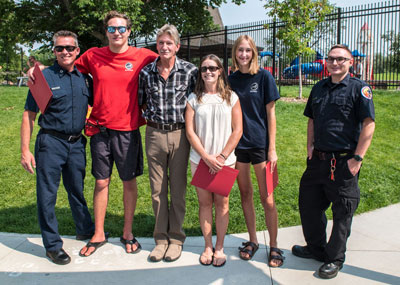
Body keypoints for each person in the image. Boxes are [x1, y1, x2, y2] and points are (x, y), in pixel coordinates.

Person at [76, 11, 158, 256]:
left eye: (121, 28)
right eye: (112, 29)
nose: (117, 33)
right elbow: (69, 67)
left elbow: (168, 60)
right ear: (106, 32)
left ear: (129, 32)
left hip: (128, 130)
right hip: (100, 129)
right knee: (101, 182)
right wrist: (38, 70)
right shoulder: (92, 55)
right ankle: (98, 233)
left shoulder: (142, 56)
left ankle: (127, 232)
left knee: (128, 182)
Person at [292, 44, 375, 279]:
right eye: (331, 59)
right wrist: (309, 146)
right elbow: (311, 120)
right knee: (309, 206)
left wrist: (357, 158)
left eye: (340, 59)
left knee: (342, 212)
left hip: (344, 162)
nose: (335, 63)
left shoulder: (360, 89)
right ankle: (315, 248)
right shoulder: (318, 88)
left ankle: (334, 258)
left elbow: (369, 124)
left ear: (351, 62)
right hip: (317, 160)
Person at [20, 30, 94, 265]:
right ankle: (52, 245)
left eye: (69, 48)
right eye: (59, 48)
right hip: (51, 143)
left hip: (76, 143)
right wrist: (25, 150)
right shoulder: (43, 78)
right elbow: (29, 115)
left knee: (76, 190)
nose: (65, 52)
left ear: (77, 51)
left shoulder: (85, 78)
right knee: (47, 195)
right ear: (53, 51)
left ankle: (85, 229)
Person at [138, 24, 198, 262]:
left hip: (180, 135)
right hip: (154, 134)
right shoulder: (146, 73)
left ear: (177, 46)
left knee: (178, 190)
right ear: (157, 45)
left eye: (169, 43)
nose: (164, 46)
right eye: (161, 42)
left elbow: (196, 104)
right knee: (157, 191)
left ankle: (176, 239)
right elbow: (142, 103)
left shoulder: (190, 72)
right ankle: (160, 239)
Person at [228, 35, 284, 267]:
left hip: (260, 145)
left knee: (267, 198)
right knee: (245, 195)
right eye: (240, 50)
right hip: (239, 146)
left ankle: (274, 245)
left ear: (253, 53)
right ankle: (253, 241)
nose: (243, 54)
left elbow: (270, 114)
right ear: (235, 53)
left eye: (247, 51)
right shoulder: (230, 79)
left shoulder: (264, 77)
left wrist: (272, 149)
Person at [185, 54, 242, 267]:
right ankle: (207, 246)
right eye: (204, 69)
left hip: (225, 162)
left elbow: (237, 130)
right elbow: (190, 132)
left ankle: (220, 247)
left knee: (223, 203)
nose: (208, 72)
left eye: (212, 68)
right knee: (204, 203)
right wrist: (207, 157)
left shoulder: (231, 98)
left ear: (220, 70)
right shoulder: (193, 99)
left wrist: (222, 157)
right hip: (199, 160)